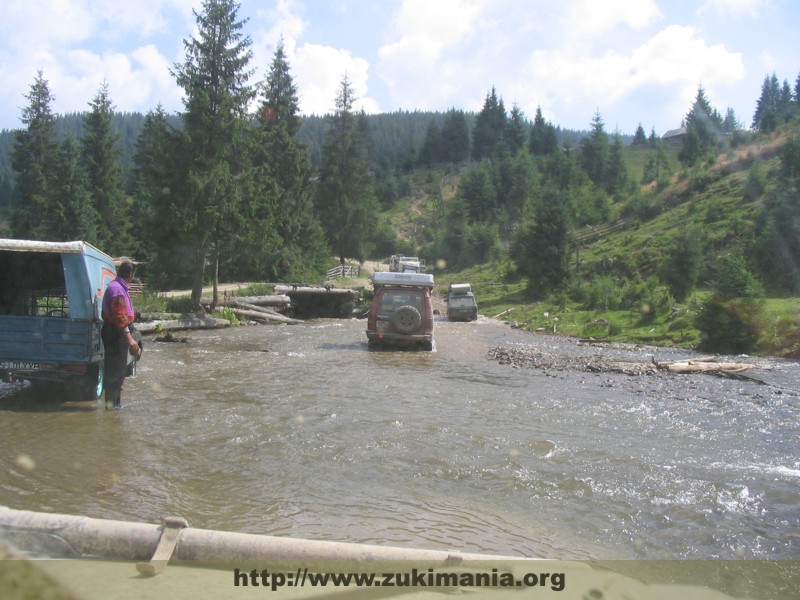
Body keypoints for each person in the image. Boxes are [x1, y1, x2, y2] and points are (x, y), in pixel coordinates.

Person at [101, 261, 142, 409]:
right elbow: (120, 319)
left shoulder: (117, 287)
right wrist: (130, 340)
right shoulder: (117, 290)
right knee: (116, 372)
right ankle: (112, 407)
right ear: (131, 274)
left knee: (117, 370)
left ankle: (114, 404)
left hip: (115, 331)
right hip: (115, 333)